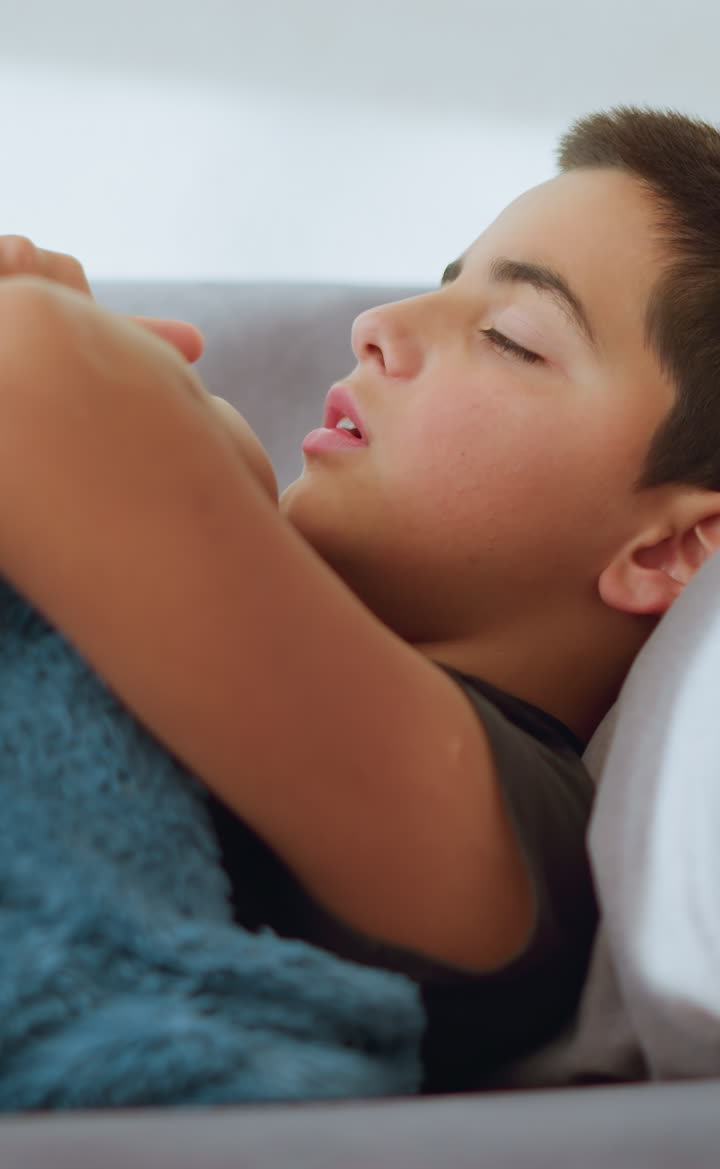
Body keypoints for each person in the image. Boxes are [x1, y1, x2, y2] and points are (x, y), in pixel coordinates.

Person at [1, 103, 719, 1095]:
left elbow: (28, 379)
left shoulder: (523, 845)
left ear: (672, 545)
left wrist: (121, 390)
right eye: (443, 284)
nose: (378, 327)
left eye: (509, 336)